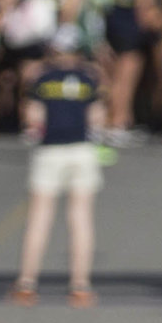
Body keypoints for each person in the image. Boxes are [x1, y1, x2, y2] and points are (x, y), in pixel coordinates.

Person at [11, 27, 105, 308]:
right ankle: (80, 285)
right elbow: (97, 118)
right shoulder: (89, 79)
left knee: (40, 218)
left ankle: (27, 284)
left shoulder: (41, 79)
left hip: (50, 150)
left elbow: (33, 116)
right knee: (81, 219)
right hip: (81, 149)